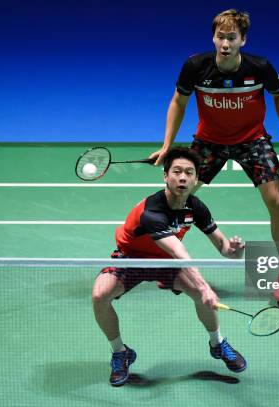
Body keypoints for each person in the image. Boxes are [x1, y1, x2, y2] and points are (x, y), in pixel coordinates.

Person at [149, 9, 279, 306]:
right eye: (220, 37)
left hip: (253, 140)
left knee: (277, 200)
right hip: (209, 141)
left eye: (231, 37)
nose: (225, 43)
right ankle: (167, 262)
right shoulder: (196, 67)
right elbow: (177, 102)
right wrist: (167, 144)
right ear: (213, 37)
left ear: (242, 40)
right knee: (176, 195)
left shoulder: (259, 67)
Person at [92, 147, 247, 387]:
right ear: (166, 176)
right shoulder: (152, 211)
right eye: (177, 172)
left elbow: (224, 248)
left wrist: (234, 251)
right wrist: (205, 287)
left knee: (199, 295)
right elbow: (179, 252)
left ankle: (217, 344)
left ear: (196, 179)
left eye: (189, 173)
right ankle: (120, 352)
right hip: (131, 258)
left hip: (164, 261)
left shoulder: (196, 207)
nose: (183, 177)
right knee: (100, 295)